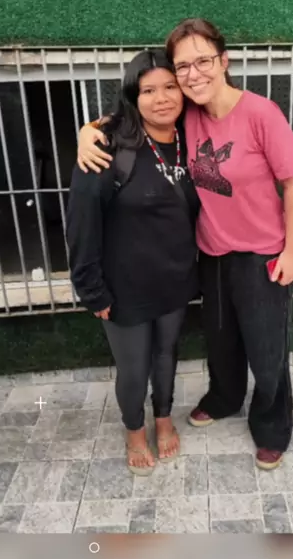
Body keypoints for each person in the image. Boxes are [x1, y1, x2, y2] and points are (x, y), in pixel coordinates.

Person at [77, 19, 293, 470]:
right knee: (221, 342)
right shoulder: (189, 114)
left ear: (224, 61)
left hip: (263, 254)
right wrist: (88, 131)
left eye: (202, 61)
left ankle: (272, 426)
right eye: (183, 66)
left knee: (267, 351)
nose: (192, 74)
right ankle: (224, 398)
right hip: (212, 253)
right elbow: (135, 111)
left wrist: (292, 251)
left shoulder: (262, 114)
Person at [66, 49, 199, 475]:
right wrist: (92, 289)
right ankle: (134, 430)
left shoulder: (192, 135)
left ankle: (164, 417)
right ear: (132, 96)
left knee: (166, 355)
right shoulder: (108, 147)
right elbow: (81, 224)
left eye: (170, 87)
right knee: (134, 368)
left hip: (176, 278)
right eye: (148, 90)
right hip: (124, 287)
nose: (162, 99)